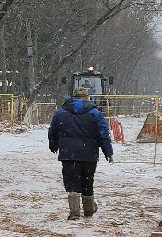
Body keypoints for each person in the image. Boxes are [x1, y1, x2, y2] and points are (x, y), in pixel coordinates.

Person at [48, 89, 114, 219]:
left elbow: (52, 131)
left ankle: (74, 212)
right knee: (87, 180)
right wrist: (108, 152)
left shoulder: (61, 113)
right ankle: (89, 210)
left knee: (72, 182)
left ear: (73, 97)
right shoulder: (96, 113)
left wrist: (54, 145)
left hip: (68, 153)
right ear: (87, 97)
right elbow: (103, 134)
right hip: (89, 154)